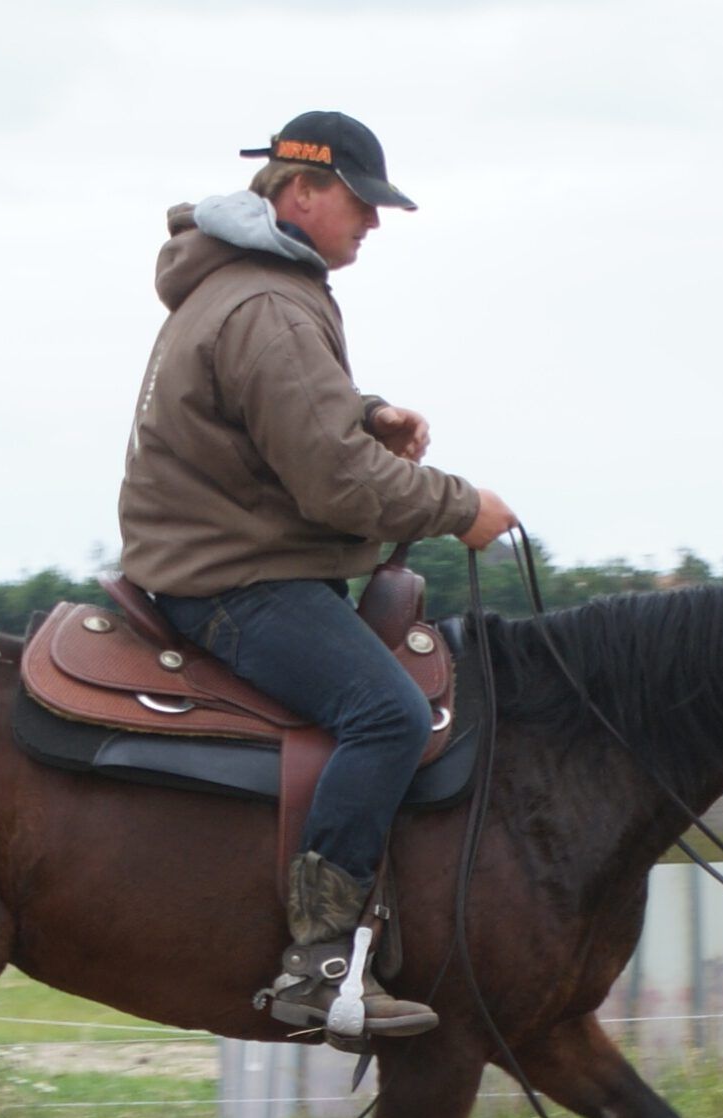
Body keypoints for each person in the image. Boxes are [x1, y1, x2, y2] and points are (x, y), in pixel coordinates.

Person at [118, 110, 516, 1040]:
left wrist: (364, 411)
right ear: (301, 192)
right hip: (234, 577)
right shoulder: (266, 301)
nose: (371, 223)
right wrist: (462, 507)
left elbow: (278, 416)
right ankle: (320, 965)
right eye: (360, 202)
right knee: (388, 713)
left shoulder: (249, 287)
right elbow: (334, 483)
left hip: (218, 552)